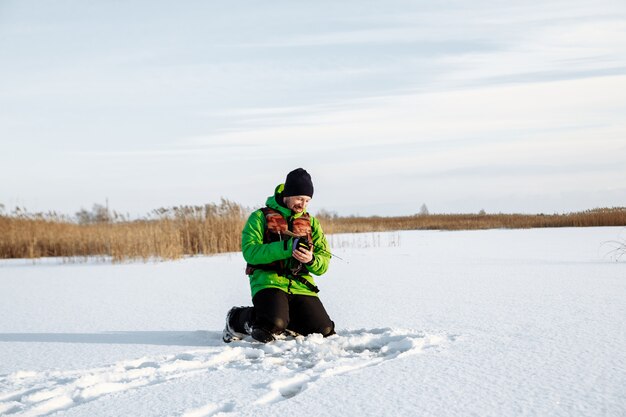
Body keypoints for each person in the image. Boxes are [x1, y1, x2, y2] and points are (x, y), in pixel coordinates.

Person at [222, 168, 335, 343]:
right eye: (299, 198)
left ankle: (287, 321)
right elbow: (250, 253)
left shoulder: (311, 223)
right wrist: (286, 247)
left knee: (324, 330)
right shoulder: (259, 217)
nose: (302, 204)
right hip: (268, 281)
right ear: (287, 194)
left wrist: (311, 259)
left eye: (307, 200)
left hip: (301, 284)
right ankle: (236, 319)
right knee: (272, 323)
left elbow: (324, 263)